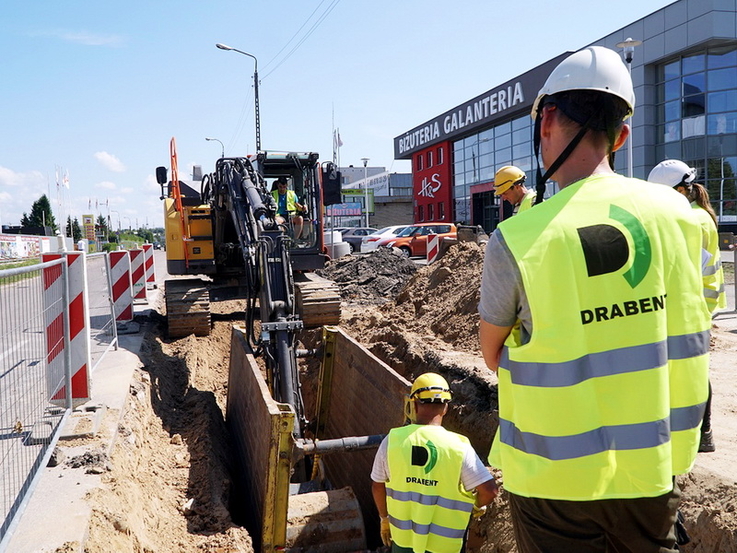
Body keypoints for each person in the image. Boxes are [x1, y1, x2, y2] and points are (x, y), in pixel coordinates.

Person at [478, 46, 710, 552]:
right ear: (622, 136)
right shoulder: (679, 218)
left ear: (548, 121)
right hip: (652, 471)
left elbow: (493, 353)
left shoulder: (519, 238)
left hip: (550, 484)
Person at [371, 372, 499, 553]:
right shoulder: (458, 446)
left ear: (414, 404)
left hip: (403, 541)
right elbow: (490, 491)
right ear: (446, 408)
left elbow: (378, 486)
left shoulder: (392, 441)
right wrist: (476, 506)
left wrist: (384, 519)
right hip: (445, 546)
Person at [648, 159, 726, 454]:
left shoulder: (692, 219)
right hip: (695, 306)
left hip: (691, 309)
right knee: (690, 371)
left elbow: (693, 269)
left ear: (681, 190)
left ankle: (703, 433)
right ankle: (700, 433)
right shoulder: (695, 214)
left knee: (692, 373)